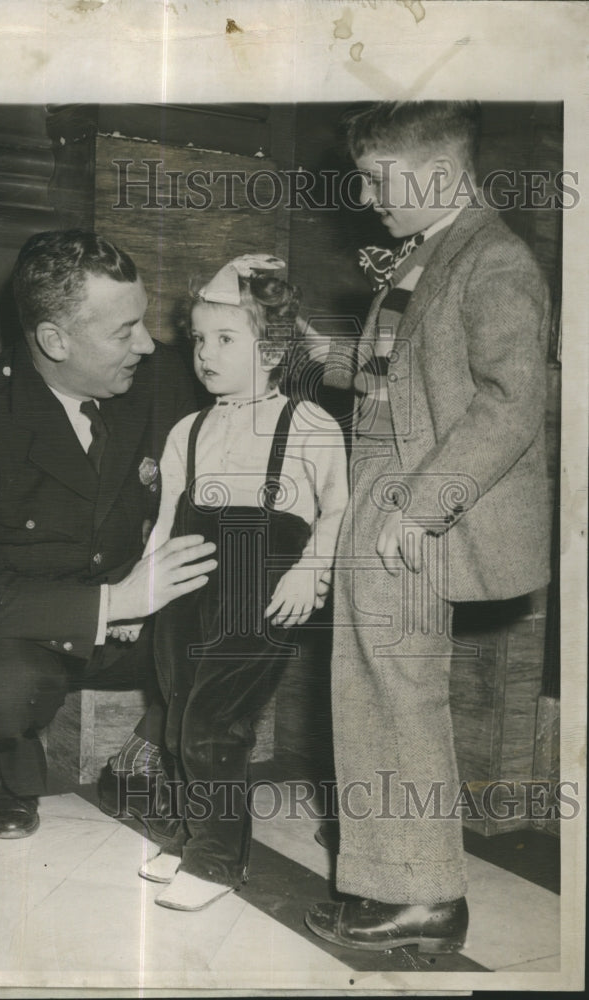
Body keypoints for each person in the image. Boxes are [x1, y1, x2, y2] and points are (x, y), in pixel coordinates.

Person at [303, 102, 551, 952]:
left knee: (397, 693)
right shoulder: (432, 251)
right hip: (384, 492)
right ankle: (393, 876)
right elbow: (402, 378)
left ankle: (424, 896)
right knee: (373, 692)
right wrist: (318, 353)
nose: (367, 198)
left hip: (414, 502)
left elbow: (511, 399)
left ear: (439, 173)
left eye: (379, 180)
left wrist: (422, 503)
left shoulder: (494, 258)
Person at [0, 230, 217, 839]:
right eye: (124, 331)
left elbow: (264, 398)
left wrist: (251, 306)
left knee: (256, 600)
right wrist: (118, 601)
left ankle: (139, 757)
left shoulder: (161, 375)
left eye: (143, 322)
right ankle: (12, 765)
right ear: (55, 340)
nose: (146, 344)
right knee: (1, 693)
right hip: (32, 631)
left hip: (143, 621)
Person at [128, 255, 348, 910]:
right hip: (186, 591)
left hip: (261, 593)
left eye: (225, 339)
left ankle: (218, 861)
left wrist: (311, 570)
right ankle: (193, 835)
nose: (205, 353)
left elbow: (339, 508)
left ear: (273, 349)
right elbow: (165, 522)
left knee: (213, 723)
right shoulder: (188, 430)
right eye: (199, 338)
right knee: (177, 720)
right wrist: (140, 595)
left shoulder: (307, 424)